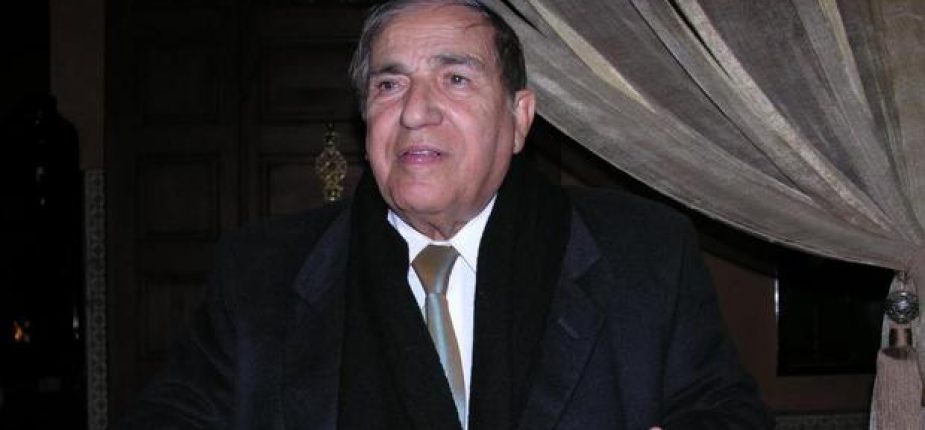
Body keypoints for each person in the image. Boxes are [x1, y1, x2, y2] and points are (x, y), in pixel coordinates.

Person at [116, 1, 772, 429]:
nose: (415, 110)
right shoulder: (261, 271)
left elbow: (726, 413)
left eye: (454, 78)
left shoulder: (643, 253)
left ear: (519, 118)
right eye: (389, 84)